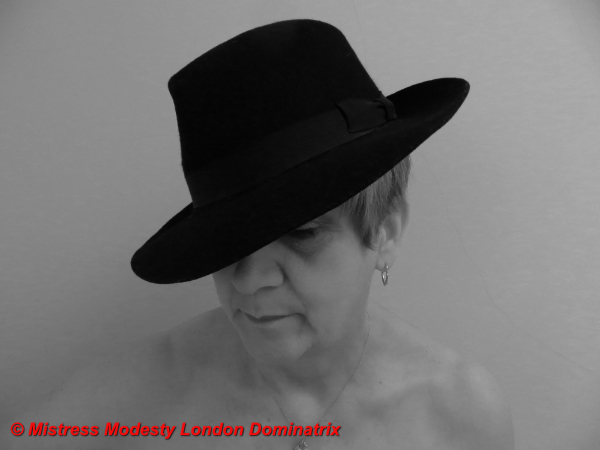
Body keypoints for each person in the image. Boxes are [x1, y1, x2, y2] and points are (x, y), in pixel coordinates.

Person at [2, 19, 514, 450]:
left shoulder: (458, 414)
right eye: (231, 243)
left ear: (385, 231)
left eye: (303, 233)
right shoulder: (140, 394)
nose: (249, 281)